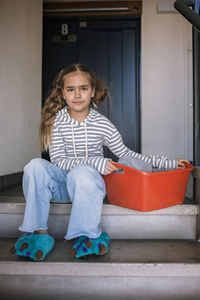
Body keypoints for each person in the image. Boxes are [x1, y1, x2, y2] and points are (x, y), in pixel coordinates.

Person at [10, 63, 190, 261]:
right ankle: (38, 234)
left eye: (83, 88)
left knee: (83, 172)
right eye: (71, 89)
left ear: (92, 91)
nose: (77, 95)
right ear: (63, 93)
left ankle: (87, 235)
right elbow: (59, 161)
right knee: (35, 165)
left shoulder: (102, 124)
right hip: (61, 188)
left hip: (88, 189)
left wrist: (169, 163)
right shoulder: (57, 121)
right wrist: (97, 162)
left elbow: (127, 153)